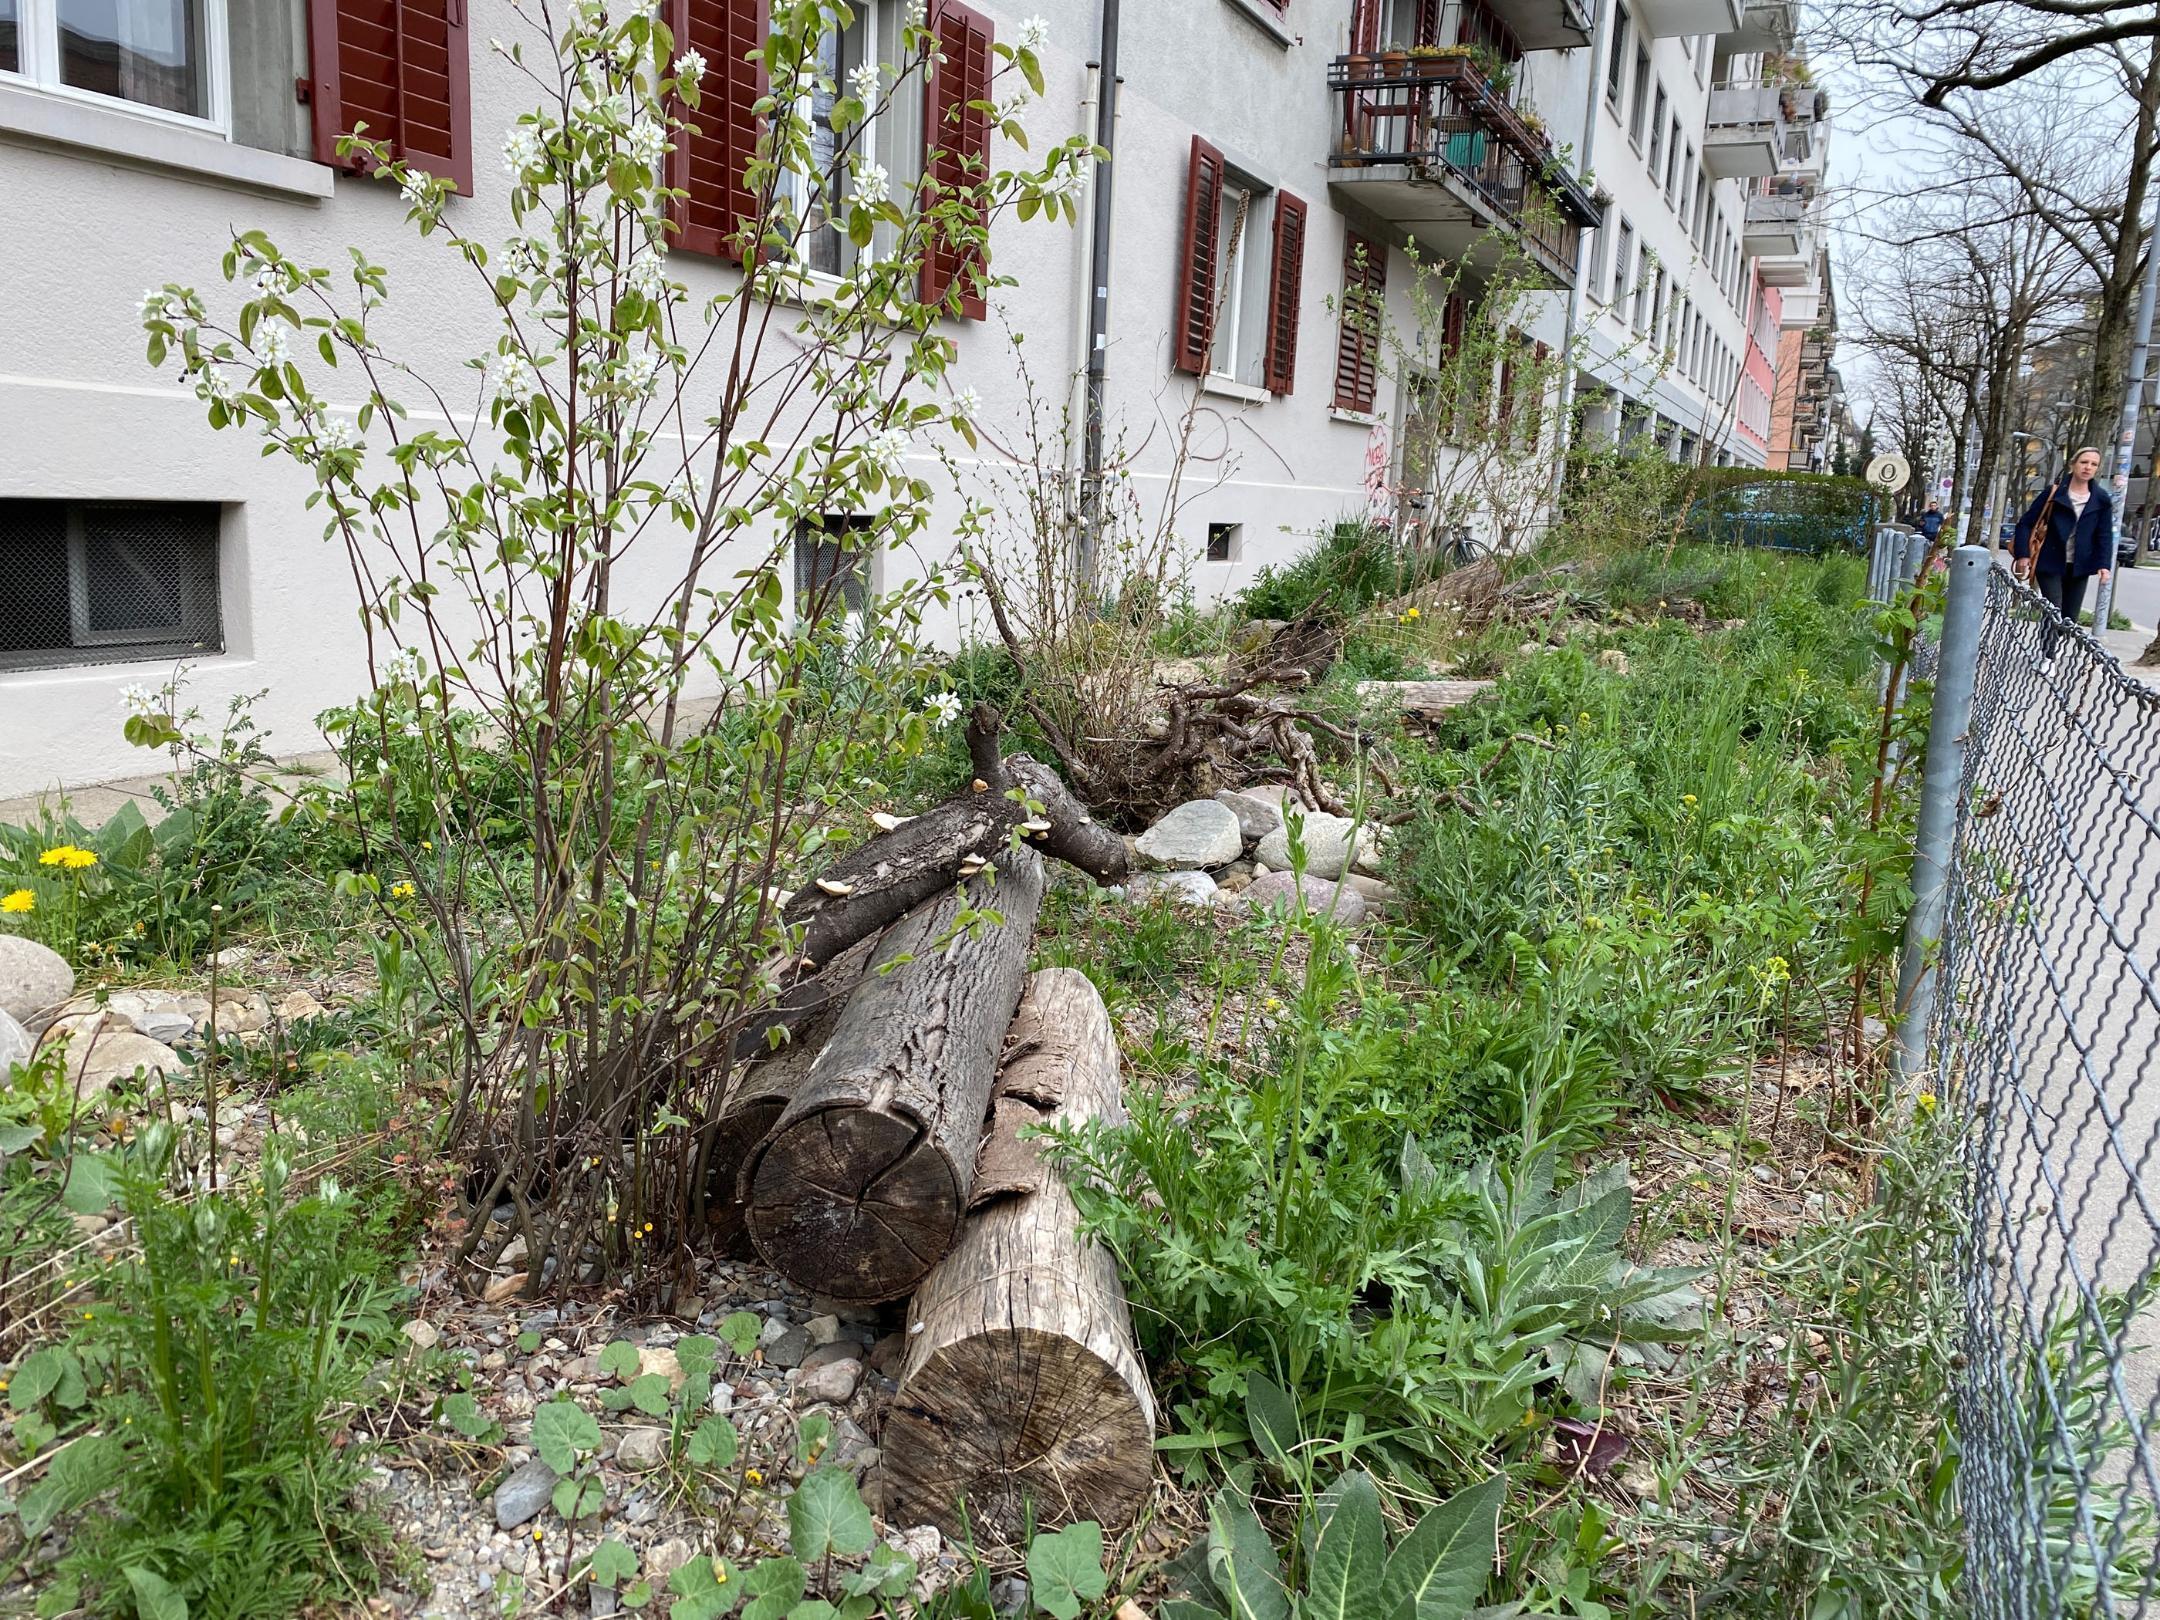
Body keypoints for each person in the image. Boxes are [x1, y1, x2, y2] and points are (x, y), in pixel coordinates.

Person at [2012, 446, 2115, 661]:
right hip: (2050, 560)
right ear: (2073, 464)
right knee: (2054, 608)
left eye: (2093, 464)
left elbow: (2104, 534)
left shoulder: (2101, 499)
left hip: (2080, 565)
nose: (2088, 467)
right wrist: (2023, 555)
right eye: (2084, 462)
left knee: (2070, 616)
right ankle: (2048, 656)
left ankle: (2052, 643)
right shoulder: (2054, 493)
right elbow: (2026, 523)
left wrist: (2104, 565)